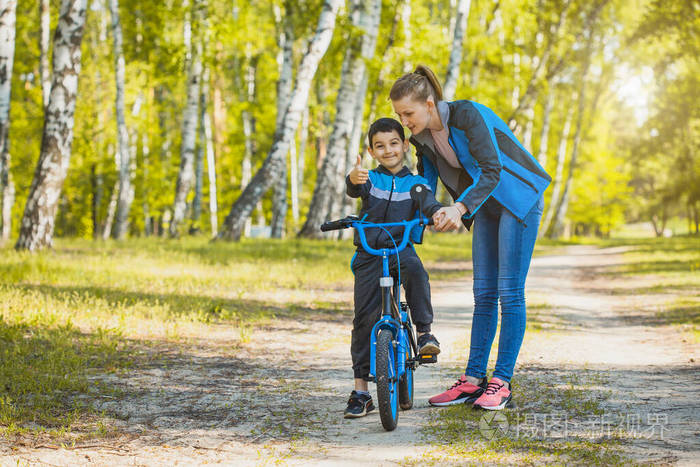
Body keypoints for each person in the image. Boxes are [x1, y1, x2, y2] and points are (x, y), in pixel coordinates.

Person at [389, 65, 551, 411]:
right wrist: (422, 217)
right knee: (483, 293)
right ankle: (473, 379)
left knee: (509, 291)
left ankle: (501, 382)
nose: (404, 121)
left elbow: (493, 169)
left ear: (429, 105)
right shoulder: (422, 137)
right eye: (399, 115)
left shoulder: (467, 114)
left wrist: (459, 208)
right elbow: (426, 182)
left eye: (408, 113)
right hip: (486, 205)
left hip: (519, 197)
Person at [343, 117, 443, 418]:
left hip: (400, 250)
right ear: (372, 152)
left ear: (405, 145)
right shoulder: (370, 181)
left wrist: (437, 214)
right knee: (363, 319)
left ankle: (424, 333)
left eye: (394, 143)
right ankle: (361, 391)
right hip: (370, 253)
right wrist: (353, 178)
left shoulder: (416, 184)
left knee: (416, 273)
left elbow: (429, 204)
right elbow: (354, 189)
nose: (388, 150)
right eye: (380, 146)